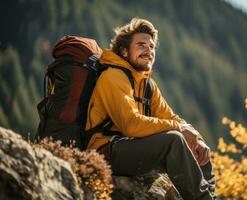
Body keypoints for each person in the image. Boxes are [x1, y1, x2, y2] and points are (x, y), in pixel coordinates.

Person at [85, 17, 216, 200]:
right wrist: (179, 129)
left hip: (130, 147)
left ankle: (211, 197)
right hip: (105, 151)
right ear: (124, 51)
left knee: (197, 147)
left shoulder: (147, 84)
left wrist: (197, 138)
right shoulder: (113, 77)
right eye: (141, 45)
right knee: (174, 140)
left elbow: (170, 116)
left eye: (152, 46)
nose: (149, 50)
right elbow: (130, 124)